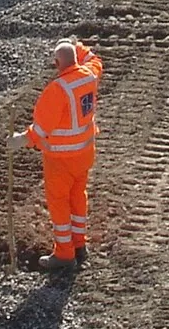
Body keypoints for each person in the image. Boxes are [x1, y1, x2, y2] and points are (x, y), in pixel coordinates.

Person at [9, 38, 103, 273]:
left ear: (56, 63)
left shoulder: (57, 90)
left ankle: (64, 254)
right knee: (78, 197)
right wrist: (76, 45)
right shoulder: (90, 76)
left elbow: (41, 130)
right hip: (84, 155)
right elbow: (95, 60)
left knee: (60, 205)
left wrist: (21, 139)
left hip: (61, 160)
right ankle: (80, 246)